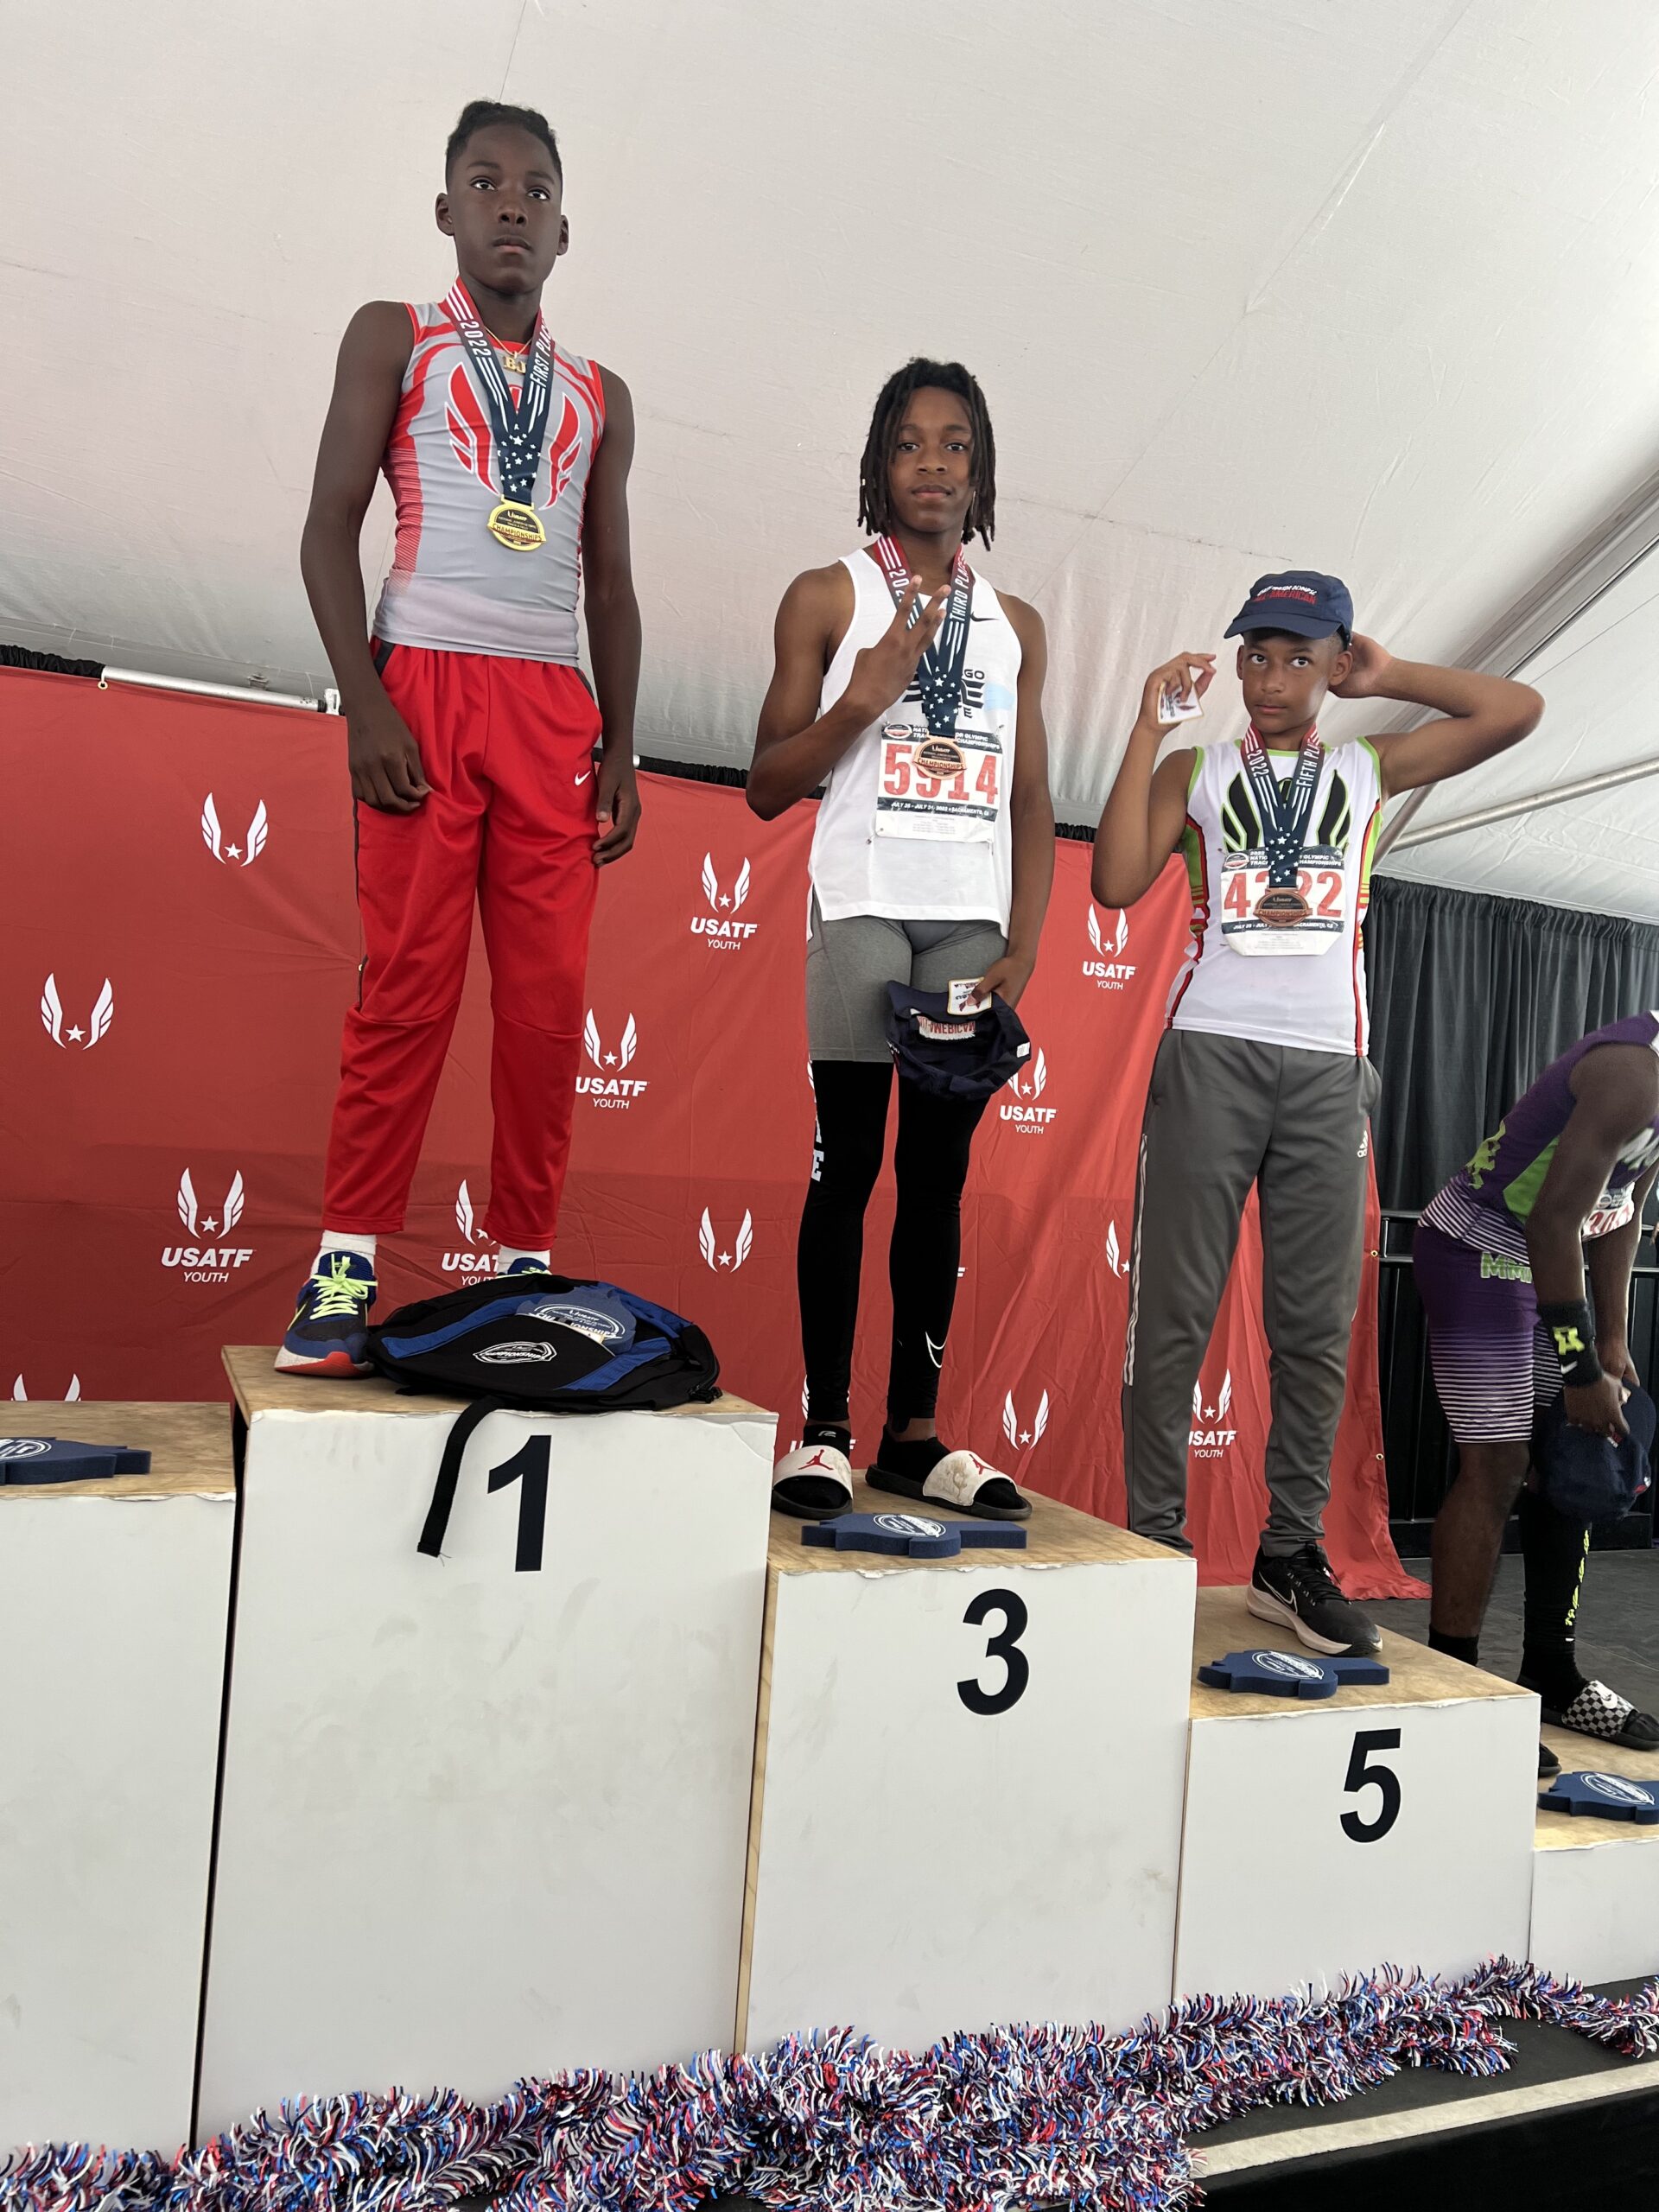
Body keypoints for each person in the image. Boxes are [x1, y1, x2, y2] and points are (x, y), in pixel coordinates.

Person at [1096, 572, 1541, 1653]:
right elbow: (1113, 882)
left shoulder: (1367, 767)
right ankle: (1154, 1548)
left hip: (1330, 1070)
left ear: (1336, 665)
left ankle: (1288, 1556)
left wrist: (1393, 676)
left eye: (1301, 657)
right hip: (1211, 1054)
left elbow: (1515, 710)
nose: (1272, 678)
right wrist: (1146, 732)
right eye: (1257, 655)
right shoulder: (1200, 771)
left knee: (1312, 1331)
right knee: (1173, 1321)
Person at [279, 99, 641, 1376]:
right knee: (407, 989)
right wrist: (364, 700)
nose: (510, 207)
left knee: (546, 1007)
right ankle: (346, 1260)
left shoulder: (601, 393)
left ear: (564, 228)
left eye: (535, 191)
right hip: (421, 686)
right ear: (446, 211)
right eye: (485, 185)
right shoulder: (396, 334)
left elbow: (612, 586)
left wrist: (625, 745)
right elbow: (327, 527)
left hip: (553, 707)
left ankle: (524, 1264)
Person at [748, 359, 1054, 1518]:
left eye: (955, 443)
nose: (933, 463)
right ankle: (825, 1432)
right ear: (879, 464)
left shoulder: (1016, 625)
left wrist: (1026, 940)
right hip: (862, 901)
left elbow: (1033, 797)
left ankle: (912, 1438)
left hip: (967, 921)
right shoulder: (827, 596)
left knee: (938, 1180)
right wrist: (862, 697)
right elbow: (766, 785)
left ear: (982, 470)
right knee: (848, 1167)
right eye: (910, 443)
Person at [1415, 1014, 1659, 1763]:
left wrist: (1612, 1339)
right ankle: (1455, 1690)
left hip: (1552, 1255)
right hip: (1480, 1246)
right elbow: (1552, 1220)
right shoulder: (1634, 1072)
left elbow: (1621, 1210)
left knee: (1575, 1451)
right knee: (1498, 1466)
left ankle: (1551, 1673)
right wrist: (1579, 1368)